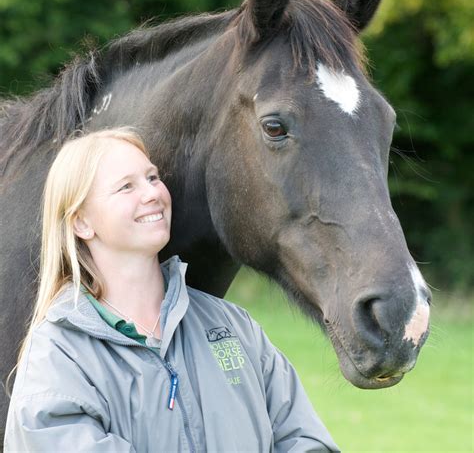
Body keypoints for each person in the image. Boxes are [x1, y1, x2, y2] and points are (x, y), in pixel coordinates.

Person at [4, 127, 340, 452]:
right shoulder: (59, 355)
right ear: (81, 222)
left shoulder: (231, 327)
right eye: (126, 187)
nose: (152, 193)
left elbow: (306, 440)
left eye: (152, 178)